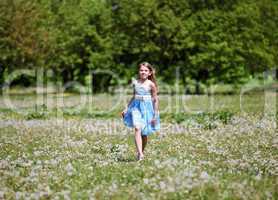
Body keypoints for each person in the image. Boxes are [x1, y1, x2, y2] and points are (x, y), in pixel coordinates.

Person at [121, 62, 160, 161]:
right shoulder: (136, 83)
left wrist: (155, 114)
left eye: (146, 70)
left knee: (144, 133)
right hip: (136, 108)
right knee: (137, 128)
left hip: (147, 109)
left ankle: (140, 153)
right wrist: (126, 108)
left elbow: (155, 99)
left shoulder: (151, 84)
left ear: (150, 73)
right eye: (141, 70)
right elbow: (134, 96)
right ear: (139, 71)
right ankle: (140, 154)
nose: (143, 72)